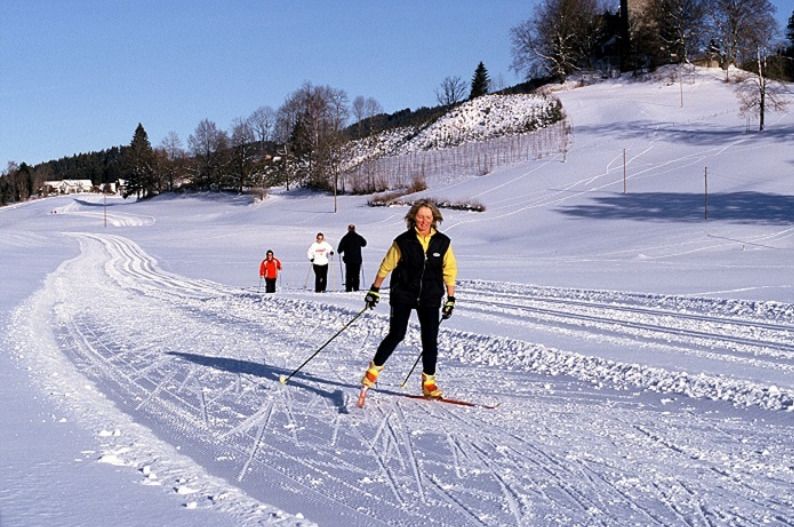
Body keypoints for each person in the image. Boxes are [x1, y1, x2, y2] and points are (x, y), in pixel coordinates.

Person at [360, 200, 457, 398]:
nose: (424, 221)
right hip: (403, 293)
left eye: (428, 217)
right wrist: (374, 289)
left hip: (430, 295)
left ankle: (428, 381)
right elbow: (386, 266)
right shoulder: (403, 241)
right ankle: (373, 370)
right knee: (397, 334)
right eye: (420, 217)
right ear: (413, 217)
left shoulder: (443, 242)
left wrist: (451, 298)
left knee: (430, 340)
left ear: (434, 219)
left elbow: (449, 271)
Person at [337, 224, 367, 292]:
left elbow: (339, 250)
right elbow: (364, 243)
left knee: (349, 274)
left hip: (349, 260)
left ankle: (349, 288)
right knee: (356, 275)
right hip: (357, 259)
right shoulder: (358, 237)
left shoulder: (345, 238)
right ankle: (356, 288)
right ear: (354, 229)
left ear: (348, 229)